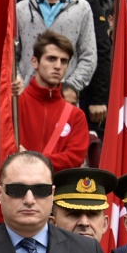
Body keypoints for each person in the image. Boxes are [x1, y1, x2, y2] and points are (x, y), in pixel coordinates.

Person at [16, 0, 98, 97]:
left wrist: (72, 86)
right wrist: (18, 81)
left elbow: (89, 55)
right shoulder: (21, 8)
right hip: (26, 95)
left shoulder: (81, 8)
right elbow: (11, 53)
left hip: (65, 98)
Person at [14, 32, 92, 171]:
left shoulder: (76, 115)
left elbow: (74, 158)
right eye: (51, 59)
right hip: (16, 186)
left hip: (56, 190)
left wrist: (34, 159)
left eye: (64, 61)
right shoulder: (15, 104)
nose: (58, 66)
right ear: (35, 62)